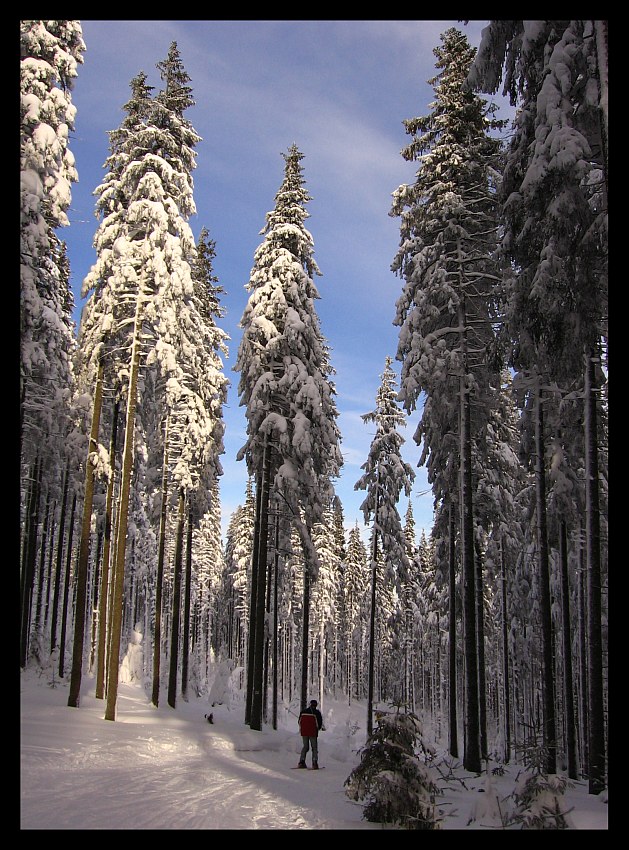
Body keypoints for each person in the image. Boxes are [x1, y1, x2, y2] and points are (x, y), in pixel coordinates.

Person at [297, 699, 323, 768]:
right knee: (314, 748)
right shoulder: (317, 713)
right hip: (313, 733)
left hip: (304, 732)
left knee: (305, 747)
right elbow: (319, 724)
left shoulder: (303, 712)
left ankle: (301, 762)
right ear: (316, 705)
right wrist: (318, 729)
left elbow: (299, 722)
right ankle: (314, 762)